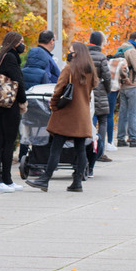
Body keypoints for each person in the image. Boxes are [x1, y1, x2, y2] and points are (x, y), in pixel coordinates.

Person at [25, 42, 97, 192]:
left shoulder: (69, 69)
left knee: (56, 147)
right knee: (80, 149)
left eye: (71, 51)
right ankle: (77, 182)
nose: (69, 54)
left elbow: (58, 90)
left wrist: (53, 106)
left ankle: (45, 179)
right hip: (82, 115)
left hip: (66, 114)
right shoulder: (90, 71)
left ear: (76, 53)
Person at [0, 31, 28, 192]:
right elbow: (18, 81)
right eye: (21, 41)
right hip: (9, 106)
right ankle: (2, 179)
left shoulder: (2, 56)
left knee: (0, 141)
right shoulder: (11, 57)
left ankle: (0, 179)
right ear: (15, 43)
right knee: (7, 142)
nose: (23, 45)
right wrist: (23, 101)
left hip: (1, 104)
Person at [86, 31, 117, 178]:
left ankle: (89, 147)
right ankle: (100, 149)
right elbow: (107, 76)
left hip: (86, 91)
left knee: (90, 120)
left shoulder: (83, 55)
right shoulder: (101, 57)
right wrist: (107, 89)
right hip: (100, 91)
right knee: (103, 120)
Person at [115, 32, 136, 148]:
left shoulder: (122, 48)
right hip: (133, 84)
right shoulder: (132, 50)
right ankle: (133, 138)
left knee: (123, 112)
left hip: (123, 85)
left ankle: (120, 138)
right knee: (133, 113)